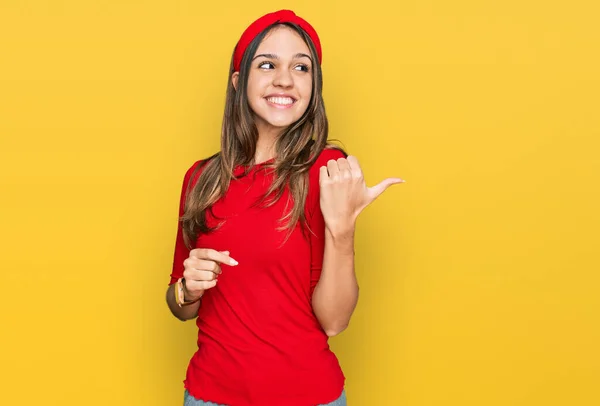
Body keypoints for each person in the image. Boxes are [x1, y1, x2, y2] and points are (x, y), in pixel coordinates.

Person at [165, 10, 405, 406]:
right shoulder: (201, 179)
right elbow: (180, 308)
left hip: (307, 396)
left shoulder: (327, 172)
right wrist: (186, 289)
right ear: (239, 82)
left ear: (314, 85)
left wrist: (342, 230)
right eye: (267, 64)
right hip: (209, 396)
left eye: (301, 67)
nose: (285, 79)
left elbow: (335, 321)